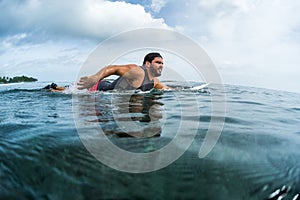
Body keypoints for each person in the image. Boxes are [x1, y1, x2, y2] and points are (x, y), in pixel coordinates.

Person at [77, 52, 172, 91]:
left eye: (162, 63)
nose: (161, 66)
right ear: (147, 64)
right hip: (98, 87)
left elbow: (167, 89)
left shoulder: (154, 81)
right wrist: (94, 78)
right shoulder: (137, 71)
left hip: (113, 87)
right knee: (67, 90)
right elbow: (113, 68)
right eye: (158, 62)